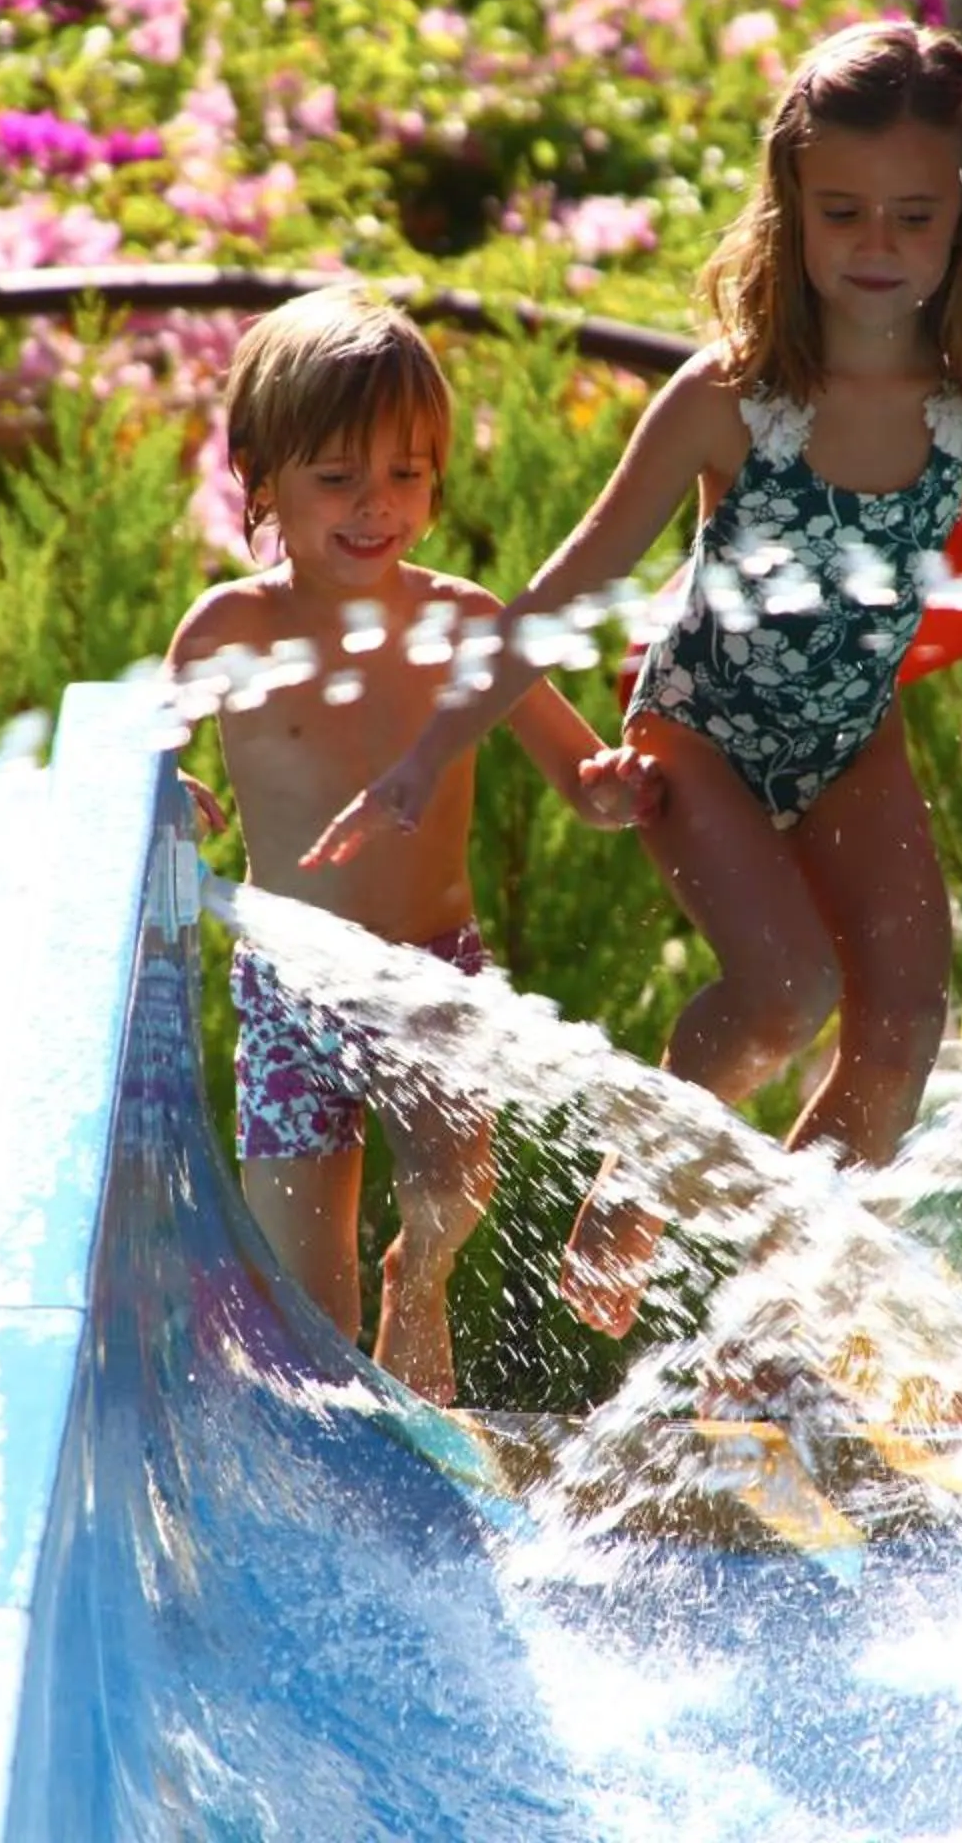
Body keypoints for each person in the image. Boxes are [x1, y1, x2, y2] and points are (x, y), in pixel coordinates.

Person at [306, 23, 962, 1337]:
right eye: (842, 210)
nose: (877, 244)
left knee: (904, 1026)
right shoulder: (732, 401)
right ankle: (641, 1176)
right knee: (783, 991)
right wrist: (422, 758)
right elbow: (561, 592)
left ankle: (767, 1330)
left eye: (913, 213)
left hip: (852, 740)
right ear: (790, 202)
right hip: (701, 734)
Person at [169, 284, 660, 1403]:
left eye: (404, 472)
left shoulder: (464, 623)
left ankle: (423, 1280)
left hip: (433, 971)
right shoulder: (231, 628)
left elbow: (575, 772)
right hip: (290, 991)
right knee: (309, 1300)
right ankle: (347, 1446)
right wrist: (165, 774)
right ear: (264, 473)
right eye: (337, 476)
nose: (373, 503)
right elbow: (148, 742)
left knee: (451, 1186)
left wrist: (615, 786)